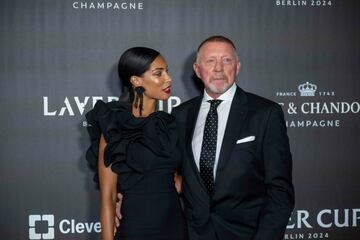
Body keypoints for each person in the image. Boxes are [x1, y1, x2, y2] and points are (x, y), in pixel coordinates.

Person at [171, 35, 295, 240]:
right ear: (197, 69)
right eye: (210, 61)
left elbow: (280, 190)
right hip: (194, 233)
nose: (218, 68)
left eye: (226, 60)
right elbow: (165, 171)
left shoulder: (265, 113)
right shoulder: (180, 115)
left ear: (237, 67)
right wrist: (123, 198)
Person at [85, 47, 187, 240]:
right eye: (159, 73)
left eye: (167, 71)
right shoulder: (114, 127)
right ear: (136, 80)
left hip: (174, 226)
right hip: (136, 228)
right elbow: (108, 198)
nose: (168, 78)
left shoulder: (170, 125)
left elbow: (176, 180)